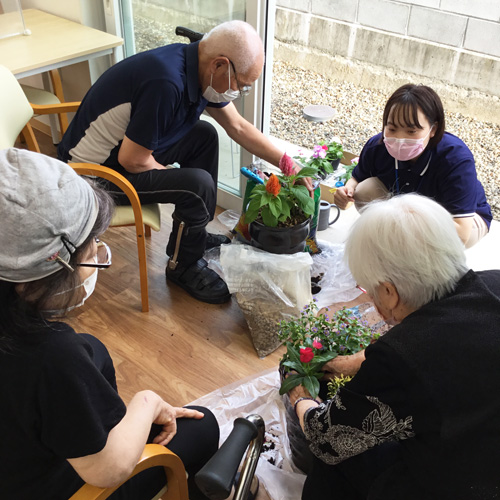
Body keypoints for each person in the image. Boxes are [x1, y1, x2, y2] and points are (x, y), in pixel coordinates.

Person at [0, 148, 219, 500]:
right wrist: (146, 403)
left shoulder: (51, 350)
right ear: (29, 284)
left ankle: (99, 426)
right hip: (62, 487)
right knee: (204, 424)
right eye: (91, 252)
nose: (99, 257)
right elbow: (109, 470)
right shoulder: (52, 356)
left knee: (94, 349)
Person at [58, 20, 302, 304]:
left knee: (204, 135)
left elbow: (238, 127)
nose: (240, 91)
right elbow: (133, 160)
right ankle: (182, 266)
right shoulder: (166, 83)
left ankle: (192, 237)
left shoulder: (198, 69)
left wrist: (288, 164)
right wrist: (182, 184)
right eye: (242, 85)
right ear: (219, 66)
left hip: (120, 155)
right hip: (91, 179)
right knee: (197, 186)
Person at [288, 193, 500, 499]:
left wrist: (300, 399)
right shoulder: (492, 283)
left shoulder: (403, 354)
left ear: (389, 292)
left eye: (369, 289)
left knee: (332, 463)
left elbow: (327, 439)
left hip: (463, 484)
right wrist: (357, 362)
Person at [334, 83, 492, 248]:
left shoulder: (455, 159)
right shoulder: (377, 146)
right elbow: (357, 178)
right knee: (364, 190)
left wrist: (408, 221)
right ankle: (397, 242)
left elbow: (461, 232)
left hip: (459, 219)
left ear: (433, 129)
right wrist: (347, 190)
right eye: (392, 128)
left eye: (411, 131)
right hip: (405, 211)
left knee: (437, 246)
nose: (400, 139)